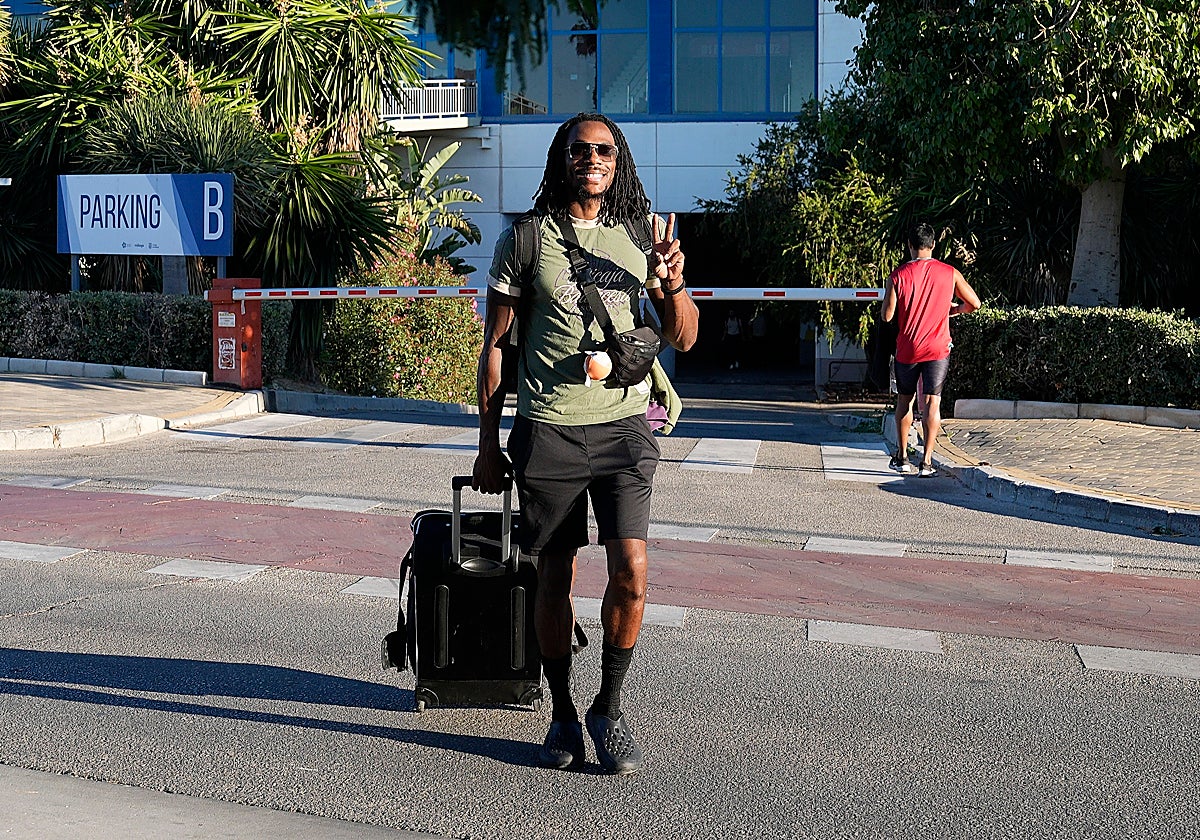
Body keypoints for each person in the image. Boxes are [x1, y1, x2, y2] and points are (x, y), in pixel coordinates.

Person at [472, 112, 699, 774]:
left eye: (604, 149)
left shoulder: (639, 235)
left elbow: (682, 338)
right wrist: (488, 442)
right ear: (562, 159)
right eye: (580, 148)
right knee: (555, 577)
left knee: (632, 567)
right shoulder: (525, 238)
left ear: (618, 159)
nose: (593, 157)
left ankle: (611, 706)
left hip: (627, 428)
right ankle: (565, 715)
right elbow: (493, 346)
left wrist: (674, 281)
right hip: (549, 429)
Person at [882, 222, 980, 477]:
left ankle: (902, 457)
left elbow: (887, 316)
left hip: (908, 348)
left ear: (910, 246)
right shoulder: (949, 272)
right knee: (932, 403)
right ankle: (926, 462)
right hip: (938, 348)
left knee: (905, 400)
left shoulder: (898, 275)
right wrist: (954, 310)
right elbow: (974, 303)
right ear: (934, 245)